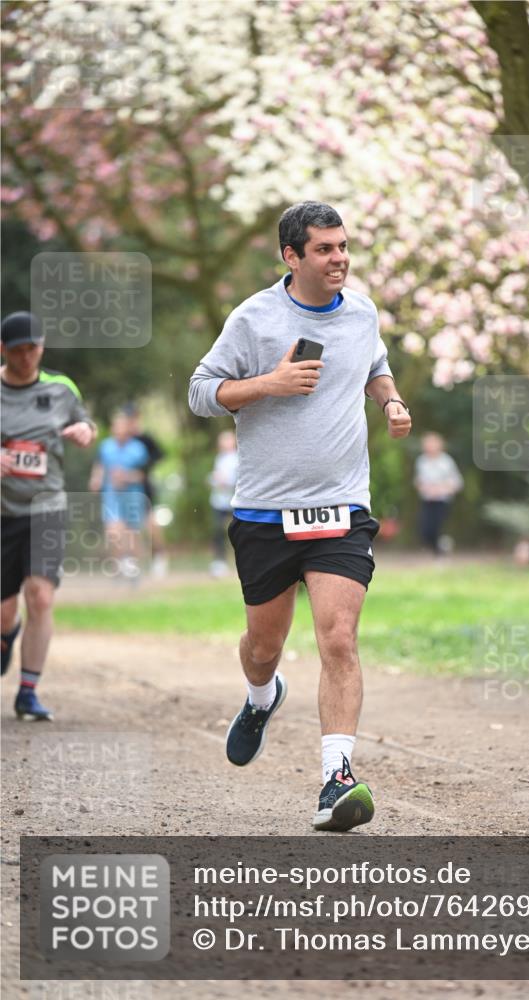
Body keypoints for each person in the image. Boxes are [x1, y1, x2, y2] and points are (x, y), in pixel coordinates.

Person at [189, 201, 411, 832]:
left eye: (343, 246)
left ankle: (335, 779)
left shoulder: (362, 311)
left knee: (338, 638)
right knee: (264, 647)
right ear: (291, 256)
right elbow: (201, 391)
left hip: (342, 505)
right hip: (265, 511)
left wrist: (391, 403)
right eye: (324, 249)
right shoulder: (254, 318)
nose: (339, 258)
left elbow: (375, 366)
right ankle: (263, 695)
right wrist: (269, 383)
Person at [1, 311, 96, 720]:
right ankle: (7, 633)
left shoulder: (61, 388)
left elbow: (85, 423)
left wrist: (84, 433)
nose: (27, 358)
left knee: (40, 596)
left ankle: (28, 691)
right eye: (18, 351)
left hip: (46, 508)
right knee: (5, 611)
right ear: (3, 350)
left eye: (34, 349)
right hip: (3, 512)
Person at [88, 412, 150, 581]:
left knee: (132, 533)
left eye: (122, 427)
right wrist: (96, 479)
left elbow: (144, 475)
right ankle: (119, 566)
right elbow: (100, 465)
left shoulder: (138, 448)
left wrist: (127, 477)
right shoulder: (106, 446)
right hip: (111, 495)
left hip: (133, 495)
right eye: (116, 427)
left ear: (128, 430)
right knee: (113, 532)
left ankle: (135, 567)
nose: (119, 431)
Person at [123, 403, 168, 578]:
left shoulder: (145, 438)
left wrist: (143, 469)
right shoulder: (124, 439)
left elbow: (160, 455)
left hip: (144, 487)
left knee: (150, 523)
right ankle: (132, 560)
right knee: (129, 525)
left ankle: (160, 556)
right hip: (127, 489)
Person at [414, 432, 463, 554]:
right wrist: (424, 488)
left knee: (437, 527)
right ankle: (436, 549)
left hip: (442, 501)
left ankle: (440, 552)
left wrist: (440, 489)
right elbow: (418, 481)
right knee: (425, 528)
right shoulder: (421, 461)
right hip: (427, 500)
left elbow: (456, 482)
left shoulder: (446, 462)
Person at [208, 430, 238, 578]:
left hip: (233, 501)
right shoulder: (219, 458)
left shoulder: (238, 458)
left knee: (237, 532)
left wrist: (225, 481)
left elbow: (237, 480)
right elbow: (214, 478)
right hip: (218, 502)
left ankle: (239, 560)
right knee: (218, 532)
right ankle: (220, 562)